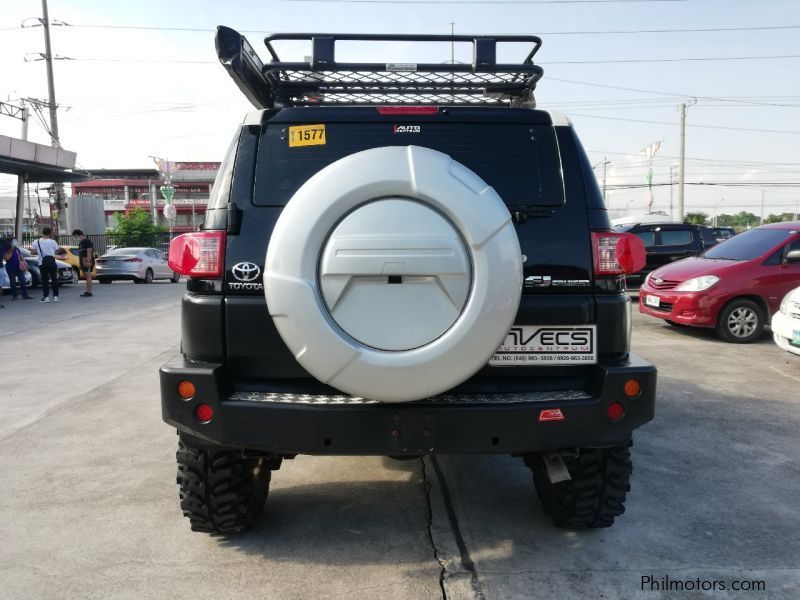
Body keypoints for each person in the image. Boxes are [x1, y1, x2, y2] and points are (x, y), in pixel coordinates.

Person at [33, 226, 64, 303]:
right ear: (50, 233)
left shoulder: (36, 241)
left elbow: (32, 252)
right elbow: (57, 250)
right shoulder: (53, 242)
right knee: (54, 279)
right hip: (52, 262)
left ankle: (46, 297)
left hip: (42, 263)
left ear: (42, 233)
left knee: (45, 280)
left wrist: (39, 253)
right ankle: (55, 296)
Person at [4, 236, 32, 301]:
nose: (15, 242)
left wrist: (25, 263)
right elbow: (7, 258)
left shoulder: (16, 249)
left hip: (18, 267)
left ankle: (25, 295)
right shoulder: (6, 249)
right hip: (10, 268)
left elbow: (21, 257)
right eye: (13, 241)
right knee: (13, 282)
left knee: (23, 280)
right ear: (9, 242)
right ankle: (14, 295)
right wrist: (11, 250)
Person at [72, 229, 95, 297]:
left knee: (88, 276)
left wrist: (88, 261)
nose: (75, 238)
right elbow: (81, 253)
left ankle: (89, 292)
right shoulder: (81, 242)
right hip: (83, 260)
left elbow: (89, 251)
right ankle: (88, 291)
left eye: (76, 237)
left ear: (80, 235)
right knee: (86, 276)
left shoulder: (87, 241)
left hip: (87, 260)